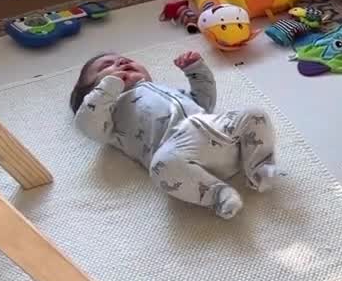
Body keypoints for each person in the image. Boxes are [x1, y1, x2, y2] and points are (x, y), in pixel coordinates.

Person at [69, 50, 277, 218]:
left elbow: (204, 102)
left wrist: (196, 71)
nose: (121, 61)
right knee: (161, 165)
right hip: (182, 155)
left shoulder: (165, 89)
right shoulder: (112, 118)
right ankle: (218, 193)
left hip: (217, 131)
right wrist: (109, 88)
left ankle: (259, 168)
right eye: (106, 66)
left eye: (124, 59)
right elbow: (86, 123)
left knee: (254, 114)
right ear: (92, 94)